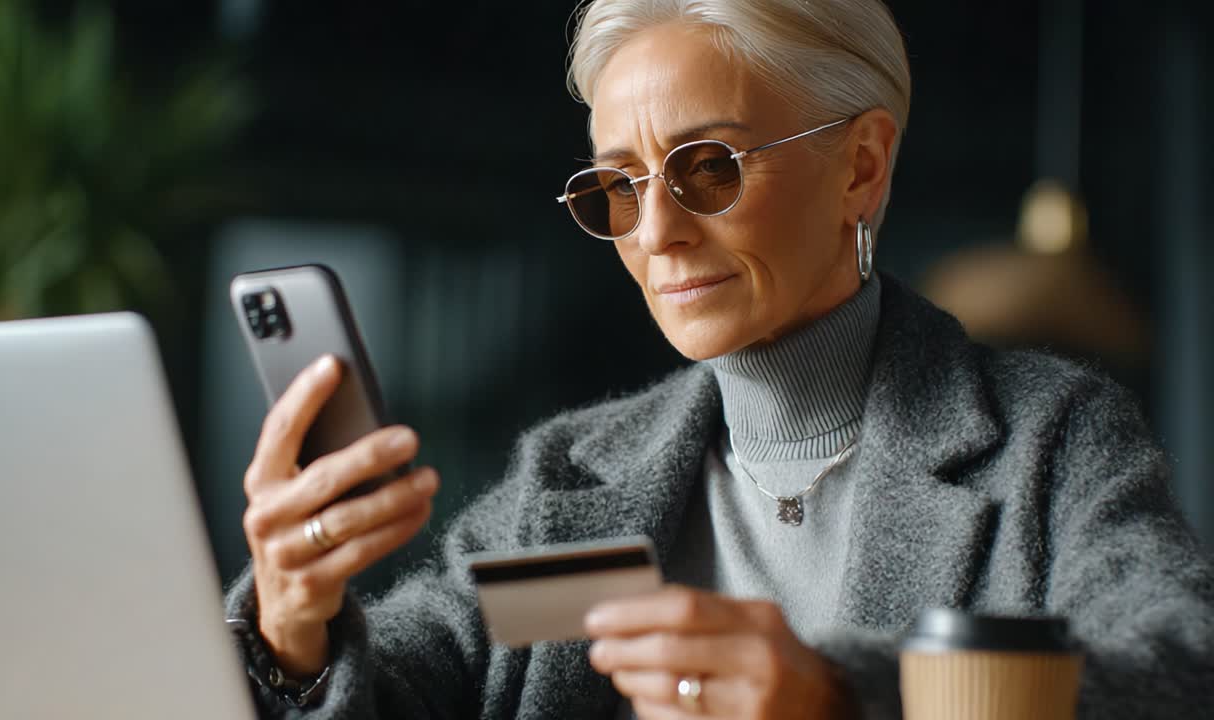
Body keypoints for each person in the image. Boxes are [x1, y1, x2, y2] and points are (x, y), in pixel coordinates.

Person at [224, 1, 1214, 718]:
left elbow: (1177, 673)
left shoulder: (1046, 444)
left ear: (860, 168)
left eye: (708, 166)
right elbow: (412, 679)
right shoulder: (570, 478)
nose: (653, 232)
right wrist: (291, 624)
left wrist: (840, 695)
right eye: (615, 185)